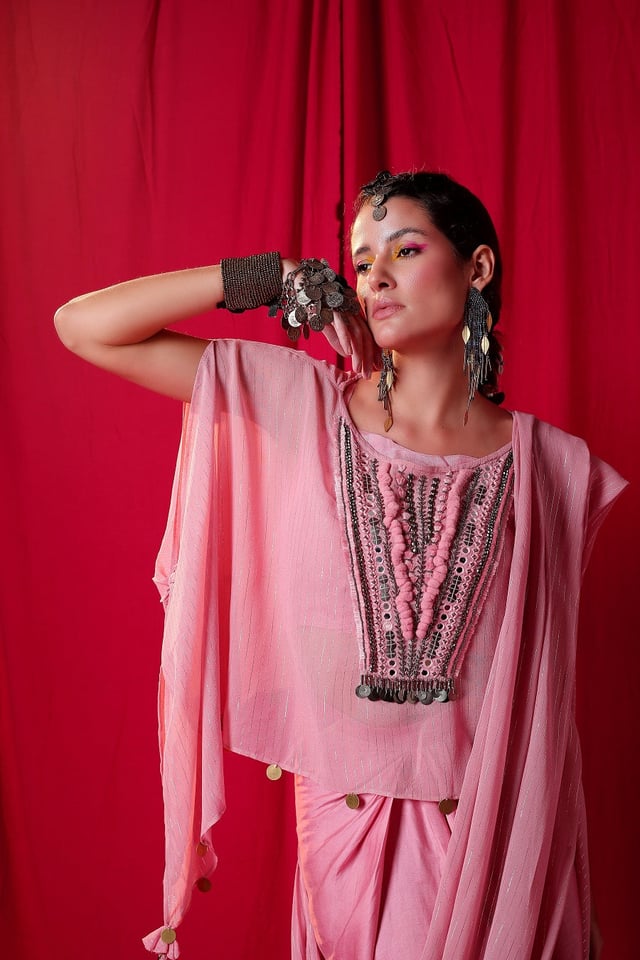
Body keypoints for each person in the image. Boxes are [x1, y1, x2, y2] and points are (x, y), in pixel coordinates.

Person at [55, 171, 623, 959]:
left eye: (405, 250)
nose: (375, 277)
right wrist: (268, 276)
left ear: (478, 267)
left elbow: (545, 716)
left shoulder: (552, 466)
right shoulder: (305, 406)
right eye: (360, 262)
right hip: (346, 833)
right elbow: (84, 327)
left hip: (495, 842)